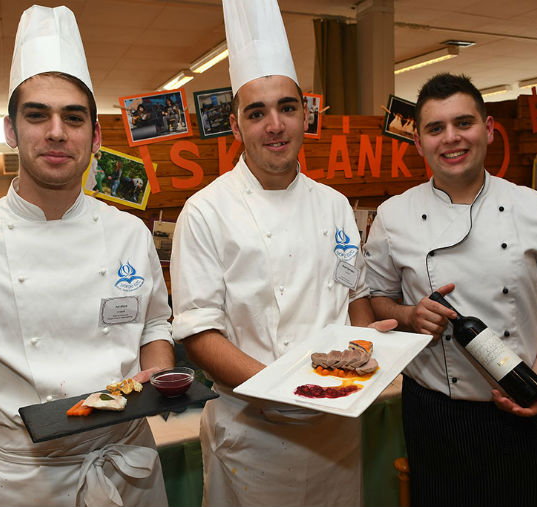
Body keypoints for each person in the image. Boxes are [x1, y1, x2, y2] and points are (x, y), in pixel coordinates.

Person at [0, 6, 173, 506]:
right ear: (11, 130)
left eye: (73, 117)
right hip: (24, 483)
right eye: (37, 115)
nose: (56, 132)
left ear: (95, 137)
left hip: (129, 472)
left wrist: (156, 372)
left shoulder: (129, 234)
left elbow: (154, 326)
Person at [170, 1, 394, 505]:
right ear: (236, 127)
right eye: (257, 112)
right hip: (252, 434)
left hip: (338, 426)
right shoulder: (204, 212)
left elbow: (354, 294)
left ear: (305, 114)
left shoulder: (336, 206)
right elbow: (201, 334)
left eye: (287, 108)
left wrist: (362, 347)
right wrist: (288, 387)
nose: (275, 125)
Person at [363, 72, 537, 506]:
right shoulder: (393, 217)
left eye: (463, 123)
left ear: (487, 129)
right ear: (419, 143)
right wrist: (410, 316)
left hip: (524, 400)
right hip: (434, 413)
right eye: (435, 128)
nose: (451, 138)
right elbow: (378, 304)